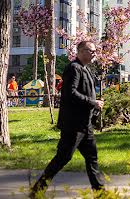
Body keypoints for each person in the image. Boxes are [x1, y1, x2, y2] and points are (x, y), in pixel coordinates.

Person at [30, 41, 105, 198]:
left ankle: (100, 193)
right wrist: (93, 102)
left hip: (85, 125)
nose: (94, 54)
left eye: (95, 51)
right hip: (73, 125)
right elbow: (70, 94)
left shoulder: (86, 69)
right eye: (91, 51)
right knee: (62, 158)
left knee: (92, 158)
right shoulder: (73, 68)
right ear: (81, 51)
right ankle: (37, 190)